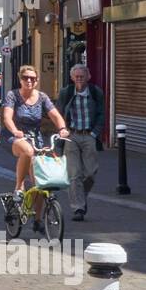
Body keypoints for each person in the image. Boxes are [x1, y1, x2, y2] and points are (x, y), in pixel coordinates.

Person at [2, 64, 70, 232]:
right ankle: (19, 187)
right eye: (26, 78)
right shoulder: (13, 96)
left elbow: (55, 115)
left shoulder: (42, 97)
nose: (29, 81)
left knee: (41, 182)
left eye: (33, 78)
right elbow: (7, 117)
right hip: (15, 137)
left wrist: (62, 129)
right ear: (20, 79)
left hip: (36, 138)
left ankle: (38, 220)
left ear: (37, 80)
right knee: (27, 151)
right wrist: (15, 130)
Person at [56, 64, 104, 221]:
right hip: (72, 135)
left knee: (90, 173)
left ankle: (80, 198)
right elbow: (59, 113)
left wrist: (94, 133)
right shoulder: (66, 93)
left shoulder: (96, 92)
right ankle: (78, 208)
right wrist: (62, 130)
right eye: (76, 77)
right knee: (74, 175)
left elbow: (101, 114)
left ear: (88, 77)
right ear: (72, 78)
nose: (79, 79)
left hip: (89, 135)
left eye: (82, 76)